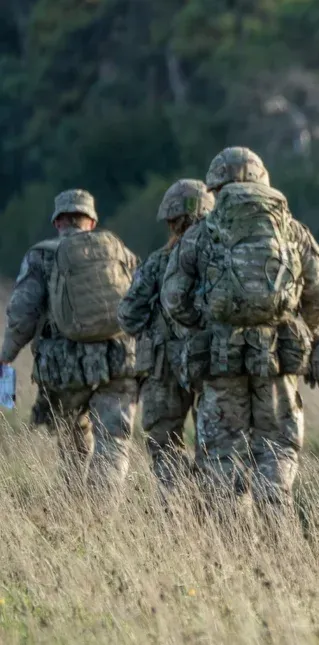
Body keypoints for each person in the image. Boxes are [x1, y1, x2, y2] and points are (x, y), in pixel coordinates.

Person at [161, 147, 319, 515]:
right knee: (277, 450)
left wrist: (206, 323)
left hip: (220, 361)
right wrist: (305, 330)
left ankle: (230, 553)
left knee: (222, 459)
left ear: (215, 188)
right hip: (279, 361)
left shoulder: (202, 232)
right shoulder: (291, 228)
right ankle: (277, 540)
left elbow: (173, 295)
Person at [0, 189, 139, 491]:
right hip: (118, 359)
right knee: (113, 442)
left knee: (72, 442)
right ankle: (101, 517)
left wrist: (6, 354)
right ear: (91, 221)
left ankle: (75, 508)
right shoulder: (118, 251)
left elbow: (23, 312)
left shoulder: (41, 255)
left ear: (58, 221)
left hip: (64, 367)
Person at [118, 179, 214, 496]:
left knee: (164, 445)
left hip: (164, 367)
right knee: (214, 446)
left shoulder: (160, 260)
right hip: (214, 363)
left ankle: (175, 517)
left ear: (174, 220)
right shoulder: (220, 258)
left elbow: (128, 314)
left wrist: (155, 326)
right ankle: (212, 511)